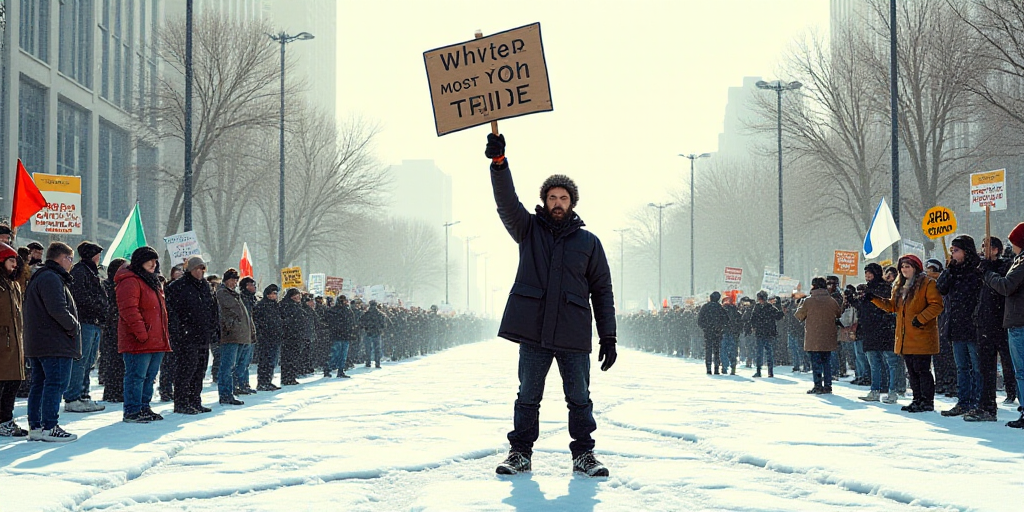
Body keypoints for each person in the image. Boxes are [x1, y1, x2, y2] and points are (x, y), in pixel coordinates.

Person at [485, 133, 617, 478]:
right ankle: (520, 452)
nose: (557, 202)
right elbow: (506, 202)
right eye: (552, 197)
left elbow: (602, 291)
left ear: (572, 203)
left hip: (573, 333)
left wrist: (609, 337)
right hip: (534, 331)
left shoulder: (589, 242)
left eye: (564, 197)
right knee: (528, 395)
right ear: (544, 200)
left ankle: (584, 455)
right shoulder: (528, 229)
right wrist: (499, 164)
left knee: (579, 398)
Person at [867, 254, 944, 413]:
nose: (904, 270)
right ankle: (917, 399)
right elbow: (892, 307)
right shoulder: (899, 285)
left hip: (922, 334)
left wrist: (921, 318)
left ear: (915, 268)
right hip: (905, 335)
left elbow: (937, 305)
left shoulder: (927, 283)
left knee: (922, 369)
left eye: (907, 266)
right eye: (902, 267)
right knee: (912, 370)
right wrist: (874, 299)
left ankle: (927, 401)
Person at [23, 242, 81, 442]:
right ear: (61, 258)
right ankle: (49, 426)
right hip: (54, 342)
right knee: (55, 384)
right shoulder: (51, 277)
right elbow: (57, 309)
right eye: (70, 259)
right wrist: (74, 326)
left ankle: (37, 426)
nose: (71, 264)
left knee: (40, 384)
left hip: (40, 341)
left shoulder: (41, 276)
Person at [116, 247, 171, 423]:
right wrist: (142, 334)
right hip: (139, 340)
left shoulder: (153, 281)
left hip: (155, 339)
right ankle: (132, 410)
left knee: (149, 377)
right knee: (136, 376)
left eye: (155, 260)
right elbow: (129, 310)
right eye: (150, 260)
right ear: (140, 261)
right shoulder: (130, 281)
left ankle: (144, 407)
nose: (154, 264)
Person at [982, 223, 1024, 429]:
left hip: (1019, 321)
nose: (1011, 246)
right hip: (1016, 320)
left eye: (1013, 242)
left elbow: (1006, 286)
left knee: (1021, 371)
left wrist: (989, 273)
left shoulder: (1022, 263)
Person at [936, 235, 983, 417]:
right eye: (952, 251)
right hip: (956, 325)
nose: (953, 254)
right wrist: (948, 270)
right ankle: (963, 402)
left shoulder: (977, 270)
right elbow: (941, 288)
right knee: (962, 367)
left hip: (973, 325)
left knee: (976, 368)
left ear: (966, 251)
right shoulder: (953, 270)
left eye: (956, 250)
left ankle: (977, 401)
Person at [165, 256, 217, 415]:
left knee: (200, 369)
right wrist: (180, 330)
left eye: (202, 269)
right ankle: (181, 402)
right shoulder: (178, 286)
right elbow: (172, 311)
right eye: (197, 268)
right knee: (186, 369)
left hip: (203, 335)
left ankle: (195, 400)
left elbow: (213, 309)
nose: (200, 272)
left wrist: (214, 329)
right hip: (186, 336)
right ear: (190, 269)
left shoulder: (206, 286)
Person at [968, 236, 1011, 422]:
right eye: (982, 245)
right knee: (985, 368)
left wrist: (989, 270)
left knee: (1011, 366)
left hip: (1002, 321)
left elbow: (1002, 286)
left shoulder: (1005, 266)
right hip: (984, 322)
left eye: (987, 246)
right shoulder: (979, 268)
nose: (983, 249)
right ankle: (986, 405)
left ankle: (1013, 394)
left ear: (996, 250)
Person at [64, 241, 107, 413]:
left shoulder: (91, 271)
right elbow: (81, 297)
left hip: (93, 322)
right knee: (81, 362)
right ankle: (73, 396)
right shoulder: (81, 271)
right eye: (97, 253)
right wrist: (99, 307)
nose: (99, 257)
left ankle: (84, 394)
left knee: (89, 362)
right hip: (85, 321)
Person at [853, 263, 900, 404]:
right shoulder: (866, 289)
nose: (867, 276)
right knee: (874, 363)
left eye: (870, 273)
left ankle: (893, 391)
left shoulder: (885, 288)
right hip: (869, 330)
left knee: (891, 362)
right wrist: (853, 300)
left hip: (884, 330)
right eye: (866, 273)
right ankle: (875, 390)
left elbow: (888, 307)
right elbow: (863, 310)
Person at [795, 277, 843, 394]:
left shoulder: (808, 301)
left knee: (816, 362)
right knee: (826, 362)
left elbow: (799, 316)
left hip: (813, 336)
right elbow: (838, 313)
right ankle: (828, 385)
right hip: (828, 336)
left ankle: (818, 385)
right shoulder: (831, 300)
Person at [215, 268, 256, 405]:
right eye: (232, 280)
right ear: (226, 280)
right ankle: (225, 393)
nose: (234, 283)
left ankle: (230, 391)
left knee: (233, 366)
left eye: (236, 280)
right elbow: (226, 313)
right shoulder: (222, 293)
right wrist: (231, 325)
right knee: (227, 367)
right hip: (231, 335)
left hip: (239, 334)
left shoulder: (234, 294)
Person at [0, 244, 27, 437]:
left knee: (13, 383)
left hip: (14, 343)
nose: (14, 265)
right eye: (11, 261)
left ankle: (5, 419)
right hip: (4, 342)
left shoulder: (13, 284)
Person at [98, 259, 127, 403]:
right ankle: (112, 391)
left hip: (121, 327)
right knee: (113, 361)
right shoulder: (107, 286)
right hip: (111, 328)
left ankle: (119, 390)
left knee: (121, 362)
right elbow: (106, 307)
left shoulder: (124, 285)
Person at [747, 291, 783, 378]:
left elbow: (778, 316)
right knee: (765, 352)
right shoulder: (767, 307)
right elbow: (778, 316)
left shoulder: (763, 307)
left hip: (765, 333)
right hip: (765, 332)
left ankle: (767, 371)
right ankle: (763, 371)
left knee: (765, 352)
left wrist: (754, 326)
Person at [254, 284, 283, 391]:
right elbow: (258, 321)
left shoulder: (275, 305)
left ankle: (268, 380)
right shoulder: (262, 305)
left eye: (276, 293)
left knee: (272, 361)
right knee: (265, 361)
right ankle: (262, 382)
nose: (275, 295)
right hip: (265, 338)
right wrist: (262, 333)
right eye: (273, 293)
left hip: (275, 337)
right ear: (268, 294)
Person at [278, 288, 308, 386]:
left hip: (297, 335)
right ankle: (287, 377)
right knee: (288, 358)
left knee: (294, 357)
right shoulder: (287, 305)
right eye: (296, 295)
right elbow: (287, 320)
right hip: (289, 336)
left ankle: (291, 376)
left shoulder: (297, 306)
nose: (298, 297)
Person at [697, 291, 729, 374]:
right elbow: (726, 320)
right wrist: (720, 328)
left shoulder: (705, 307)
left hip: (708, 332)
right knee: (716, 351)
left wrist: (705, 328)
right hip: (717, 332)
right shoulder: (720, 308)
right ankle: (716, 368)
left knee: (708, 350)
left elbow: (699, 320)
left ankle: (708, 368)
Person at [326, 295, 356, 378]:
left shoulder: (347, 310)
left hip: (344, 335)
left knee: (343, 355)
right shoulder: (334, 310)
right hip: (337, 335)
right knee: (335, 354)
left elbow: (352, 322)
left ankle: (340, 370)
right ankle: (328, 369)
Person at [359, 300, 389, 368]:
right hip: (377, 333)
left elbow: (361, 323)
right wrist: (380, 329)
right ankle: (377, 363)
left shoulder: (366, 314)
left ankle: (368, 362)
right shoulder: (381, 314)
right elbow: (384, 325)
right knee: (377, 349)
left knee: (368, 348)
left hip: (368, 333)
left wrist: (366, 327)